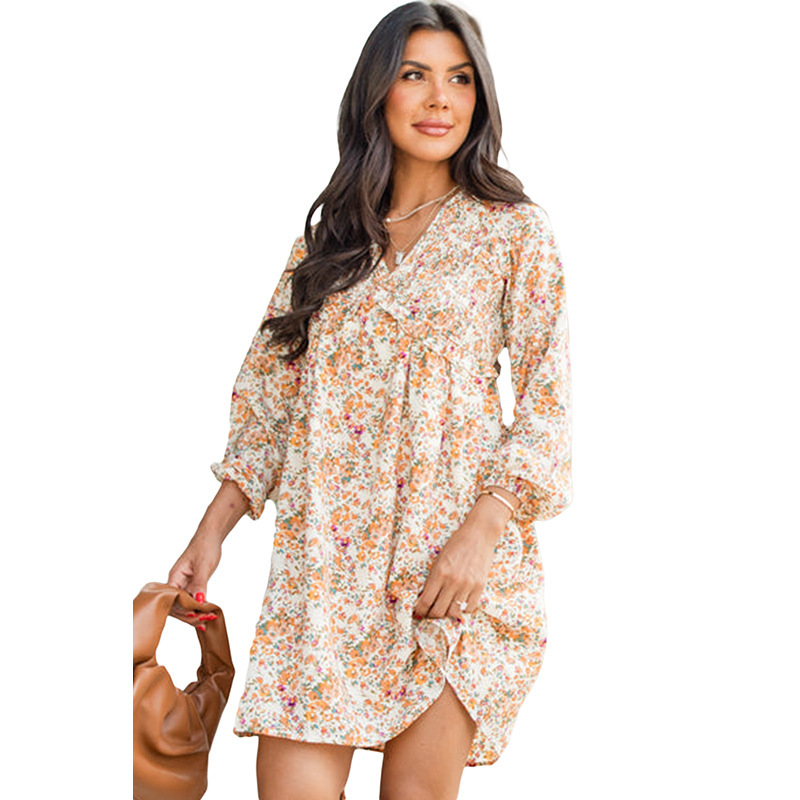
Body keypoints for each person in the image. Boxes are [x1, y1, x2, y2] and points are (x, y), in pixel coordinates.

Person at [167, 2, 572, 798]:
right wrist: (208, 537)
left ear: (481, 97)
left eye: (460, 79)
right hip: (323, 575)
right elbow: (269, 402)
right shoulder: (329, 242)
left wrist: (482, 533)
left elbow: (547, 406)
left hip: (448, 572)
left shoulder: (513, 233)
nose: (440, 98)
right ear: (377, 92)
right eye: (415, 75)